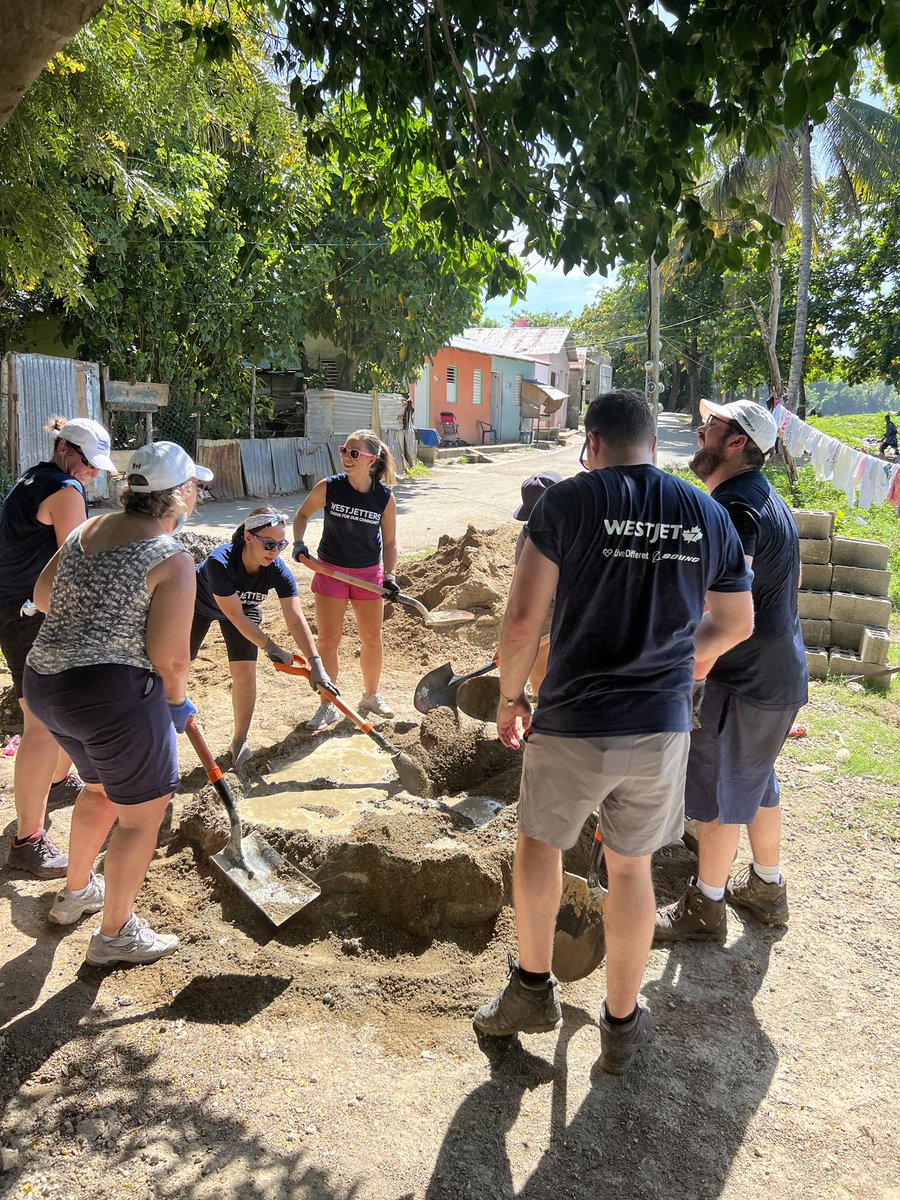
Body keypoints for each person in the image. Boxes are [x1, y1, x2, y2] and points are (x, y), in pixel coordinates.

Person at [472, 390, 754, 1074]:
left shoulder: (565, 504)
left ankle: (533, 991)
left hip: (573, 719)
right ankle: (622, 1026)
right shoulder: (704, 511)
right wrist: (682, 657)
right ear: (653, 443)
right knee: (632, 869)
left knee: (540, 847)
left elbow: (520, 624)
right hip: (659, 726)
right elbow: (738, 622)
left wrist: (510, 698)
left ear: (592, 443)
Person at [23, 441, 210, 966]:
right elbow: (170, 656)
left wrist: (90, 618)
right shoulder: (172, 558)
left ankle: (76, 891)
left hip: (46, 684)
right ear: (179, 496)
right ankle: (115, 935)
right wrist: (177, 702)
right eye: (194, 486)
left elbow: (42, 596)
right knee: (140, 819)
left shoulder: (87, 529)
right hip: (110, 697)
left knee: (101, 790)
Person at [654, 399, 807, 942]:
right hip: (777, 673)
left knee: (720, 792)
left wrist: (687, 672)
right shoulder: (764, 499)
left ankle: (706, 907)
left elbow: (729, 611)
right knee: (757, 779)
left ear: (738, 442)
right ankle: (767, 889)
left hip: (745, 677)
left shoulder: (737, 511)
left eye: (711, 426)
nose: (700, 431)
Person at [0, 416, 116, 879]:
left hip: (16, 608)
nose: (93, 473)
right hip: (28, 614)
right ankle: (28, 842)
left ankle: (55, 782)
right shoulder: (65, 490)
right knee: (41, 725)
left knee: (53, 713)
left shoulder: (35, 476)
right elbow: (77, 560)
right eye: (89, 463)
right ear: (67, 449)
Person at [190, 506, 334, 765]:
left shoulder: (278, 569)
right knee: (176, 666)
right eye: (269, 544)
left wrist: (315, 662)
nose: (275, 552)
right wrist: (271, 647)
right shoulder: (219, 562)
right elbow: (234, 615)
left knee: (245, 672)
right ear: (248, 537)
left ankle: (240, 741)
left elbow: (295, 617)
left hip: (242, 612)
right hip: (196, 608)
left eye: (281, 545)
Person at [292, 429, 399, 730]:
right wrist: (299, 543)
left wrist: (389, 576)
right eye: (343, 451)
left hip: (368, 574)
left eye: (354, 453)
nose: (346, 458)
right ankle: (328, 704)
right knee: (328, 640)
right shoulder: (330, 487)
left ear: (372, 460)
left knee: (371, 639)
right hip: (330, 571)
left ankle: (371, 696)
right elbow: (301, 515)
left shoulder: (384, 498)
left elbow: (390, 543)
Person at [512, 471, 562, 696]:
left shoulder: (583, 533)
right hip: (547, 600)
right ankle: (541, 710)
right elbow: (518, 590)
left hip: (580, 600)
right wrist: (510, 639)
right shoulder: (527, 535)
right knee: (538, 661)